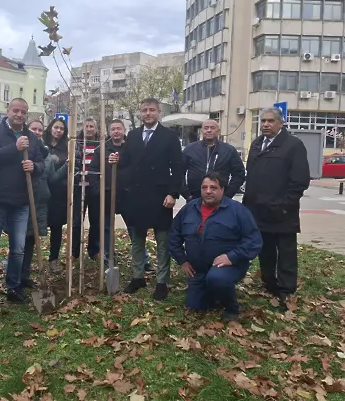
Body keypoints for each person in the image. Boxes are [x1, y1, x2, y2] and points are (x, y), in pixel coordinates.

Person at [110, 98, 184, 301]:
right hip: (137, 196)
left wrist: (173, 193)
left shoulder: (169, 136)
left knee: (162, 241)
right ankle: (138, 276)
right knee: (137, 240)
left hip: (161, 197)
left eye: (152, 110)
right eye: (144, 110)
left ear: (158, 112)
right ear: (140, 113)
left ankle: (162, 282)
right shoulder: (132, 136)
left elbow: (178, 167)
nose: (148, 113)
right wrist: (116, 159)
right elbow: (127, 161)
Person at [0, 98, 44, 311]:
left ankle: (13, 287)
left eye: (23, 111)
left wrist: (35, 166)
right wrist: (14, 148)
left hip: (21, 201)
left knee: (19, 250)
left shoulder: (32, 137)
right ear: (8, 111)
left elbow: (41, 163)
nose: (19, 114)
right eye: (16, 110)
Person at [169, 173, 263, 321]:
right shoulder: (189, 209)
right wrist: (182, 260)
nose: (208, 191)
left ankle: (232, 308)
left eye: (213, 188)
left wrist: (232, 257)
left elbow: (254, 240)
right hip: (198, 268)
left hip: (229, 265)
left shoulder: (237, 210)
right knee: (195, 305)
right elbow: (173, 235)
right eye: (204, 187)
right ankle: (213, 293)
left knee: (217, 278)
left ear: (222, 190)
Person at [243, 107, 310, 310]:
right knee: (265, 250)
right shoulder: (257, 144)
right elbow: (251, 176)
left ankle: (286, 290)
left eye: (270, 121)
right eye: (263, 121)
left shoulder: (293, 145)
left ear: (281, 123)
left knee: (286, 253)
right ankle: (269, 283)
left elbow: (300, 181)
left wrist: (284, 206)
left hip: (282, 212)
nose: (265, 125)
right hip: (258, 211)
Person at [21, 119, 68, 286]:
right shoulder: (21, 149)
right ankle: (18, 273)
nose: (37, 132)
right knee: (22, 237)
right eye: (34, 129)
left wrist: (66, 168)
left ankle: (24, 274)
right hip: (23, 200)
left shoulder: (45, 153)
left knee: (31, 237)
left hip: (41, 200)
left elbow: (52, 178)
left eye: (39, 130)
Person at [89, 119, 127, 265]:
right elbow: (93, 171)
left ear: (124, 130)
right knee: (106, 226)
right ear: (109, 132)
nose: (116, 131)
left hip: (126, 194)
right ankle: (108, 255)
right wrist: (99, 190)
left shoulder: (131, 148)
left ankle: (143, 259)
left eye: (119, 128)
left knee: (134, 227)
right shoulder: (102, 149)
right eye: (113, 129)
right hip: (106, 194)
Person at [180, 119, 246, 201]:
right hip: (194, 198)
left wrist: (227, 195)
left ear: (218, 131)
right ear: (202, 131)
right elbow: (179, 172)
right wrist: (187, 194)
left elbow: (239, 174)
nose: (209, 130)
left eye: (212, 128)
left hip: (220, 201)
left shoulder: (229, 150)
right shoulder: (190, 149)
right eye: (206, 128)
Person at [72, 118, 101, 260]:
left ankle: (93, 250)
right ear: (83, 127)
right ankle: (74, 252)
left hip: (95, 187)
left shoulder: (101, 144)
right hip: (79, 187)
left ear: (96, 128)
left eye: (92, 126)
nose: (89, 129)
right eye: (87, 126)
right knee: (77, 221)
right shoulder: (76, 143)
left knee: (96, 220)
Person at [43, 117, 69, 272]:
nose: (58, 131)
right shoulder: (41, 143)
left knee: (56, 226)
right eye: (56, 127)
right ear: (50, 127)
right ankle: (31, 257)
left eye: (61, 129)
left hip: (58, 192)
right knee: (34, 226)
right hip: (40, 190)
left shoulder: (66, 147)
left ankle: (53, 259)